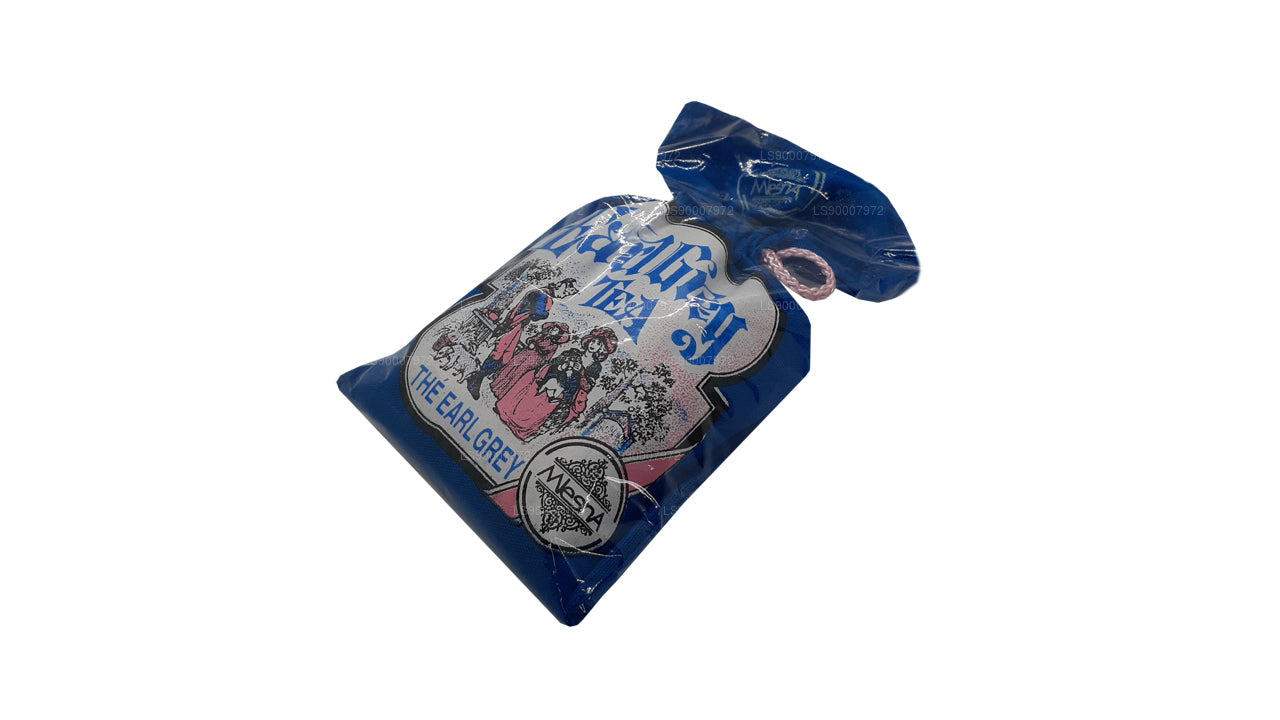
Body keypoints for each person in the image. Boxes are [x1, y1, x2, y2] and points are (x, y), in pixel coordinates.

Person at [465, 279, 577, 399]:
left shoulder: (545, 296)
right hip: (514, 324)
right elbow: (537, 313)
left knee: (505, 357)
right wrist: (546, 314)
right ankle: (476, 379)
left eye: (567, 294)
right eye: (565, 291)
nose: (564, 295)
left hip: (518, 326)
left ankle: (477, 378)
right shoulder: (542, 295)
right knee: (499, 354)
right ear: (560, 284)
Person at [495, 349, 584, 441]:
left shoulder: (575, 376)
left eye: (574, 362)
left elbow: (569, 392)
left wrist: (569, 377)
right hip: (539, 390)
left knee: (542, 408)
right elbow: (543, 375)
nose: (571, 364)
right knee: (529, 400)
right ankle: (511, 418)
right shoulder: (555, 366)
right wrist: (560, 368)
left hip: (551, 399)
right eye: (570, 360)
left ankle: (521, 428)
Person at [490, 322, 569, 400]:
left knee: (518, 372)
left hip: (534, 359)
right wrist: (531, 342)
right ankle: (496, 384)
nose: (552, 330)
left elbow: (546, 358)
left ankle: (502, 391)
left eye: (555, 330)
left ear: (558, 334)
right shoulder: (542, 335)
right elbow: (531, 339)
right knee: (511, 366)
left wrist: (537, 358)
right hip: (526, 352)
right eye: (553, 328)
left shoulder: (553, 345)